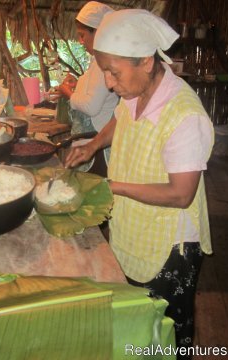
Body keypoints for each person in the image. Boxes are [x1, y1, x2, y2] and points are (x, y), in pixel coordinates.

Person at [65, 9, 214, 359]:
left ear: (146, 62)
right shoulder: (135, 92)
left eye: (114, 73)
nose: (110, 83)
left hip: (169, 246)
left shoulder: (184, 115)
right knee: (136, 324)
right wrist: (92, 144)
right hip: (135, 227)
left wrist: (113, 187)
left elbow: (181, 194)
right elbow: (118, 119)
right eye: (105, 71)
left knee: (166, 332)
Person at [56, 1, 119, 177]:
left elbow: (91, 106)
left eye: (83, 35)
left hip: (97, 141)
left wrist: (67, 92)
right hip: (91, 139)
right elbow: (97, 91)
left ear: (98, 33)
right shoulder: (95, 62)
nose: (80, 41)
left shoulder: (101, 64)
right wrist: (78, 84)